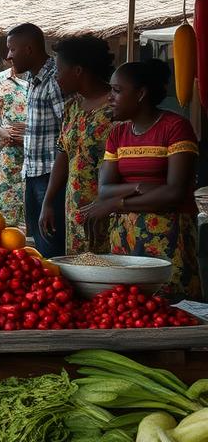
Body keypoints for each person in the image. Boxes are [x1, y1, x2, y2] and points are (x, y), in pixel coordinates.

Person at [84, 60, 200, 299]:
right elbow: (105, 190)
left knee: (170, 307)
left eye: (117, 91)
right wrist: (139, 187)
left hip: (170, 236)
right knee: (130, 307)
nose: (110, 98)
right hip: (125, 238)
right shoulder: (118, 134)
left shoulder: (176, 127)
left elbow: (174, 193)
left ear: (141, 94)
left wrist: (119, 203)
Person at [38, 36, 114, 257]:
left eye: (59, 70)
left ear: (78, 71)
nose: (56, 77)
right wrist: (49, 201)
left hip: (108, 208)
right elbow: (64, 153)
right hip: (75, 208)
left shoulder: (117, 107)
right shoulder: (72, 107)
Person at [6, 23, 64, 257]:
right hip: (33, 172)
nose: (8, 56)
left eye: (12, 50)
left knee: (51, 241)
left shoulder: (54, 80)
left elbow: (67, 132)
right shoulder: (33, 78)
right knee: (39, 240)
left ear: (29, 49)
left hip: (50, 175)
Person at [0, 60, 30, 229]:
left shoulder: (45, 81)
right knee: (8, 214)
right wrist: (4, 133)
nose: (10, 56)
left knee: (36, 209)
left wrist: (30, 136)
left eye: (14, 50)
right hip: (8, 157)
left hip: (40, 157)